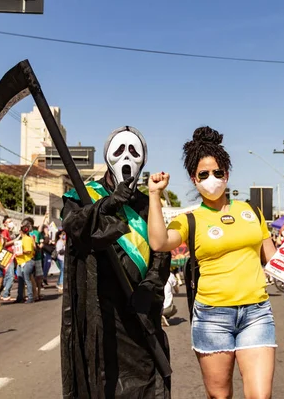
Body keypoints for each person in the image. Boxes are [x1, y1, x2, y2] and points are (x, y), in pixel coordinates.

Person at [148, 126, 279, 399]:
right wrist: (154, 195)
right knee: (220, 396)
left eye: (218, 172)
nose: (212, 179)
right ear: (193, 179)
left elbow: (275, 258)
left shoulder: (251, 211)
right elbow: (159, 242)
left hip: (256, 313)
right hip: (212, 318)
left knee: (260, 395)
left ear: (227, 174)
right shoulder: (189, 219)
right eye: (203, 174)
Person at [61, 125, 172, 398]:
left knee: (147, 384)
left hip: (140, 310)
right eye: (120, 150)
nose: (127, 157)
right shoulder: (82, 196)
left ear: (143, 159)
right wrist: (109, 204)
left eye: (134, 151)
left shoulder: (148, 204)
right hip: (99, 311)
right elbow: (76, 227)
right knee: (102, 383)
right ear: (108, 156)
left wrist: (151, 286)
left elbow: (161, 250)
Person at [14, 219, 36, 304]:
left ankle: (30, 297)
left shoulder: (27, 239)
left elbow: (29, 251)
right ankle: (20, 297)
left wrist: (20, 251)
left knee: (27, 279)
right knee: (20, 279)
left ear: (21, 231)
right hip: (21, 262)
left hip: (27, 261)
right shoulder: (22, 239)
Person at [0, 216, 17, 301]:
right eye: (9, 221)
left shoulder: (9, 232)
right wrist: (15, 240)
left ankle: (0, 293)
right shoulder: (4, 232)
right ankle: (5, 294)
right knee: (10, 276)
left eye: (11, 221)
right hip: (7, 255)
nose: (11, 223)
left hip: (10, 255)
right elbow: (4, 244)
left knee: (7, 276)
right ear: (5, 223)